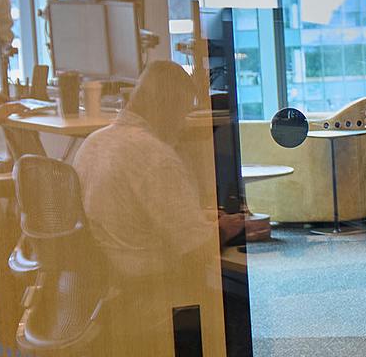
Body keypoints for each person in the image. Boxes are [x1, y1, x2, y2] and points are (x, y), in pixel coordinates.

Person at [74, 61, 246, 290]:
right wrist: (227, 227)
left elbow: (136, 217)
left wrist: (199, 217)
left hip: (108, 284)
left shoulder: (93, 143)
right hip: (152, 286)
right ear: (168, 108)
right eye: (183, 112)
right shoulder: (156, 156)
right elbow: (197, 248)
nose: (183, 124)